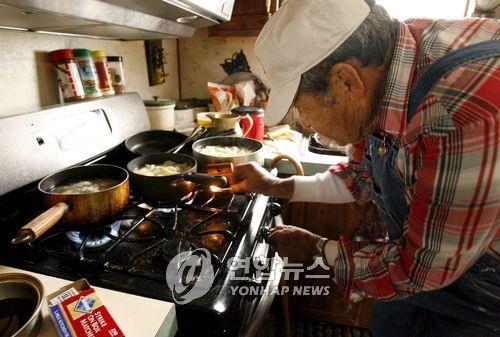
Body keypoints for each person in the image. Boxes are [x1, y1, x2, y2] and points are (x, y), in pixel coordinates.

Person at [229, 0, 500, 336]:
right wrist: (279, 186)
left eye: (302, 107)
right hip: (417, 261)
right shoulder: (386, 61)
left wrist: (317, 248)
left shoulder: (456, 116)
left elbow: (418, 270)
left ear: (345, 81)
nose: (308, 125)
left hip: (479, 298)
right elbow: (362, 176)